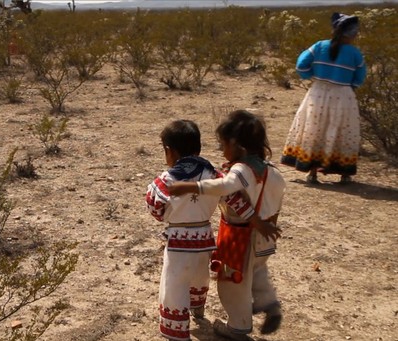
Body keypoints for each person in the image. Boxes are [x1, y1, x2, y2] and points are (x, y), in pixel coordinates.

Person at [146, 119, 277, 341]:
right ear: (198, 148)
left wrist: (166, 216)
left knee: (175, 283)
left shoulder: (165, 179)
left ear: (169, 151)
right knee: (200, 275)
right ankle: (197, 307)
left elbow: (155, 207)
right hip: (205, 239)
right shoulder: (214, 174)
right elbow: (236, 201)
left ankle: (176, 331)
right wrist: (256, 221)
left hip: (179, 242)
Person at [281, 12, 367, 184]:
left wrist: (312, 76)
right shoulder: (354, 53)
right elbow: (360, 76)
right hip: (343, 95)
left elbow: (301, 65)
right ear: (350, 34)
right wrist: (350, 86)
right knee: (342, 129)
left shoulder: (319, 46)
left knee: (315, 129)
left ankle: (312, 171)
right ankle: (344, 173)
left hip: (318, 93)